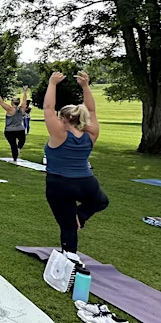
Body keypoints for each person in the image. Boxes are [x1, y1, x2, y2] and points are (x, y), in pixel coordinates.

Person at [44, 71, 108, 256]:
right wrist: (85, 86)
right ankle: (80, 216)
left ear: (63, 119)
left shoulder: (59, 134)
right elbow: (92, 111)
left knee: (68, 225)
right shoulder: (91, 134)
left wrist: (53, 83)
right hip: (86, 183)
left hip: (60, 184)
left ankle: (70, 258)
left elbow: (48, 108)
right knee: (101, 201)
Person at [0, 85, 29, 162]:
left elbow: (1, 101)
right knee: (22, 141)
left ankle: (15, 157)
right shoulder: (22, 109)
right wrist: (25, 91)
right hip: (20, 130)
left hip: (9, 131)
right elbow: (24, 100)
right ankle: (18, 149)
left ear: (12, 102)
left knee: (13, 144)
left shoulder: (10, 109)